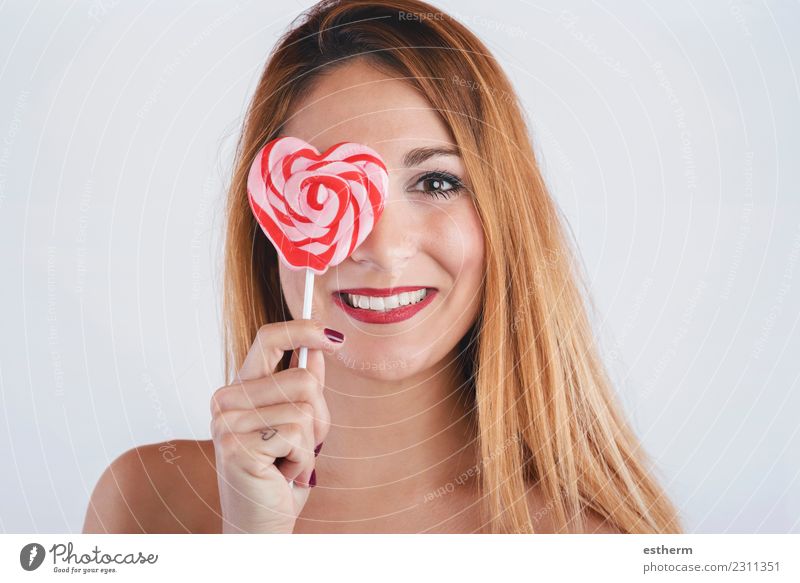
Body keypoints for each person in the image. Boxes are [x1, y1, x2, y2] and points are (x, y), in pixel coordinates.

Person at [83, 0, 683, 534]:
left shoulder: (591, 545)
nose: (382, 246)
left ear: (506, 217)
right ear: (271, 222)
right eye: (327, 185)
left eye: (437, 181)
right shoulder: (148, 503)